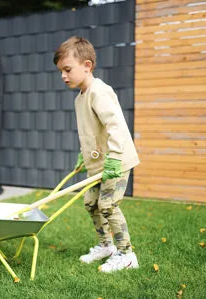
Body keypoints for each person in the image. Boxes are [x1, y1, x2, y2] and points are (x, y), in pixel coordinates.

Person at [53, 36, 140, 273]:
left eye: (67, 69)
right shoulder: (80, 98)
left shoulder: (99, 92)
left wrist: (113, 156)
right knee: (91, 203)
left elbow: (116, 126)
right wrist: (84, 156)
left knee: (108, 205)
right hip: (98, 163)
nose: (63, 75)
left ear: (87, 65)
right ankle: (106, 246)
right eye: (61, 71)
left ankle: (127, 254)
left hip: (116, 160)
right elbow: (90, 132)